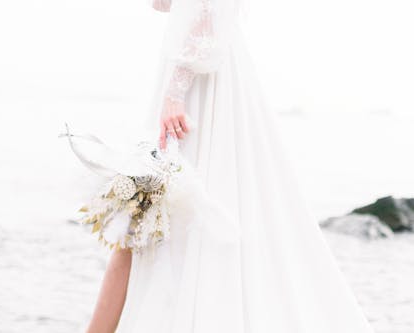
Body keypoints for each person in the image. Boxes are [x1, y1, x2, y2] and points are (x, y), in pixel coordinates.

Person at [86, 0, 374, 332]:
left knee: (162, 209)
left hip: (198, 81)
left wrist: (175, 92)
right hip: (197, 69)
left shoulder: (185, 79)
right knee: (158, 209)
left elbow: (207, 9)